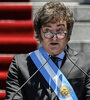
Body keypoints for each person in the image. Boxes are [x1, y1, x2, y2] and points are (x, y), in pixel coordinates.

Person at [5, 1, 90, 100]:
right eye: (48, 31)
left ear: (68, 35)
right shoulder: (20, 64)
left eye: (60, 31)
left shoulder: (86, 64)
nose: (54, 38)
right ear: (39, 34)